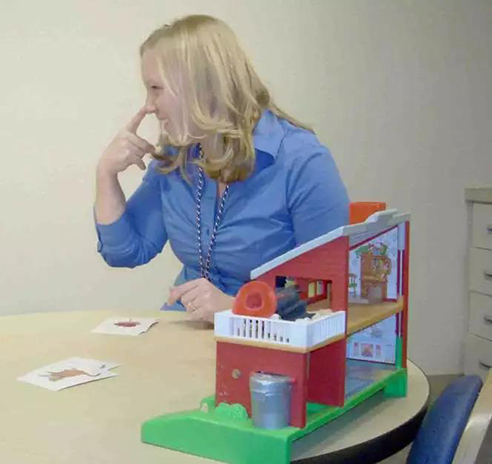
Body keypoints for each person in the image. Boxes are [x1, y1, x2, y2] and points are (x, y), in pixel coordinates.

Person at [94, 15, 348, 323]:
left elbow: (327, 293)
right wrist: (106, 175)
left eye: (156, 88)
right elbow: (126, 252)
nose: (149, 105)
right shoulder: (177, 157)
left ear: (200, 85)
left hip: (268, 340)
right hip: (187, 331)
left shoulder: (300, 159)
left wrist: (237, 308)